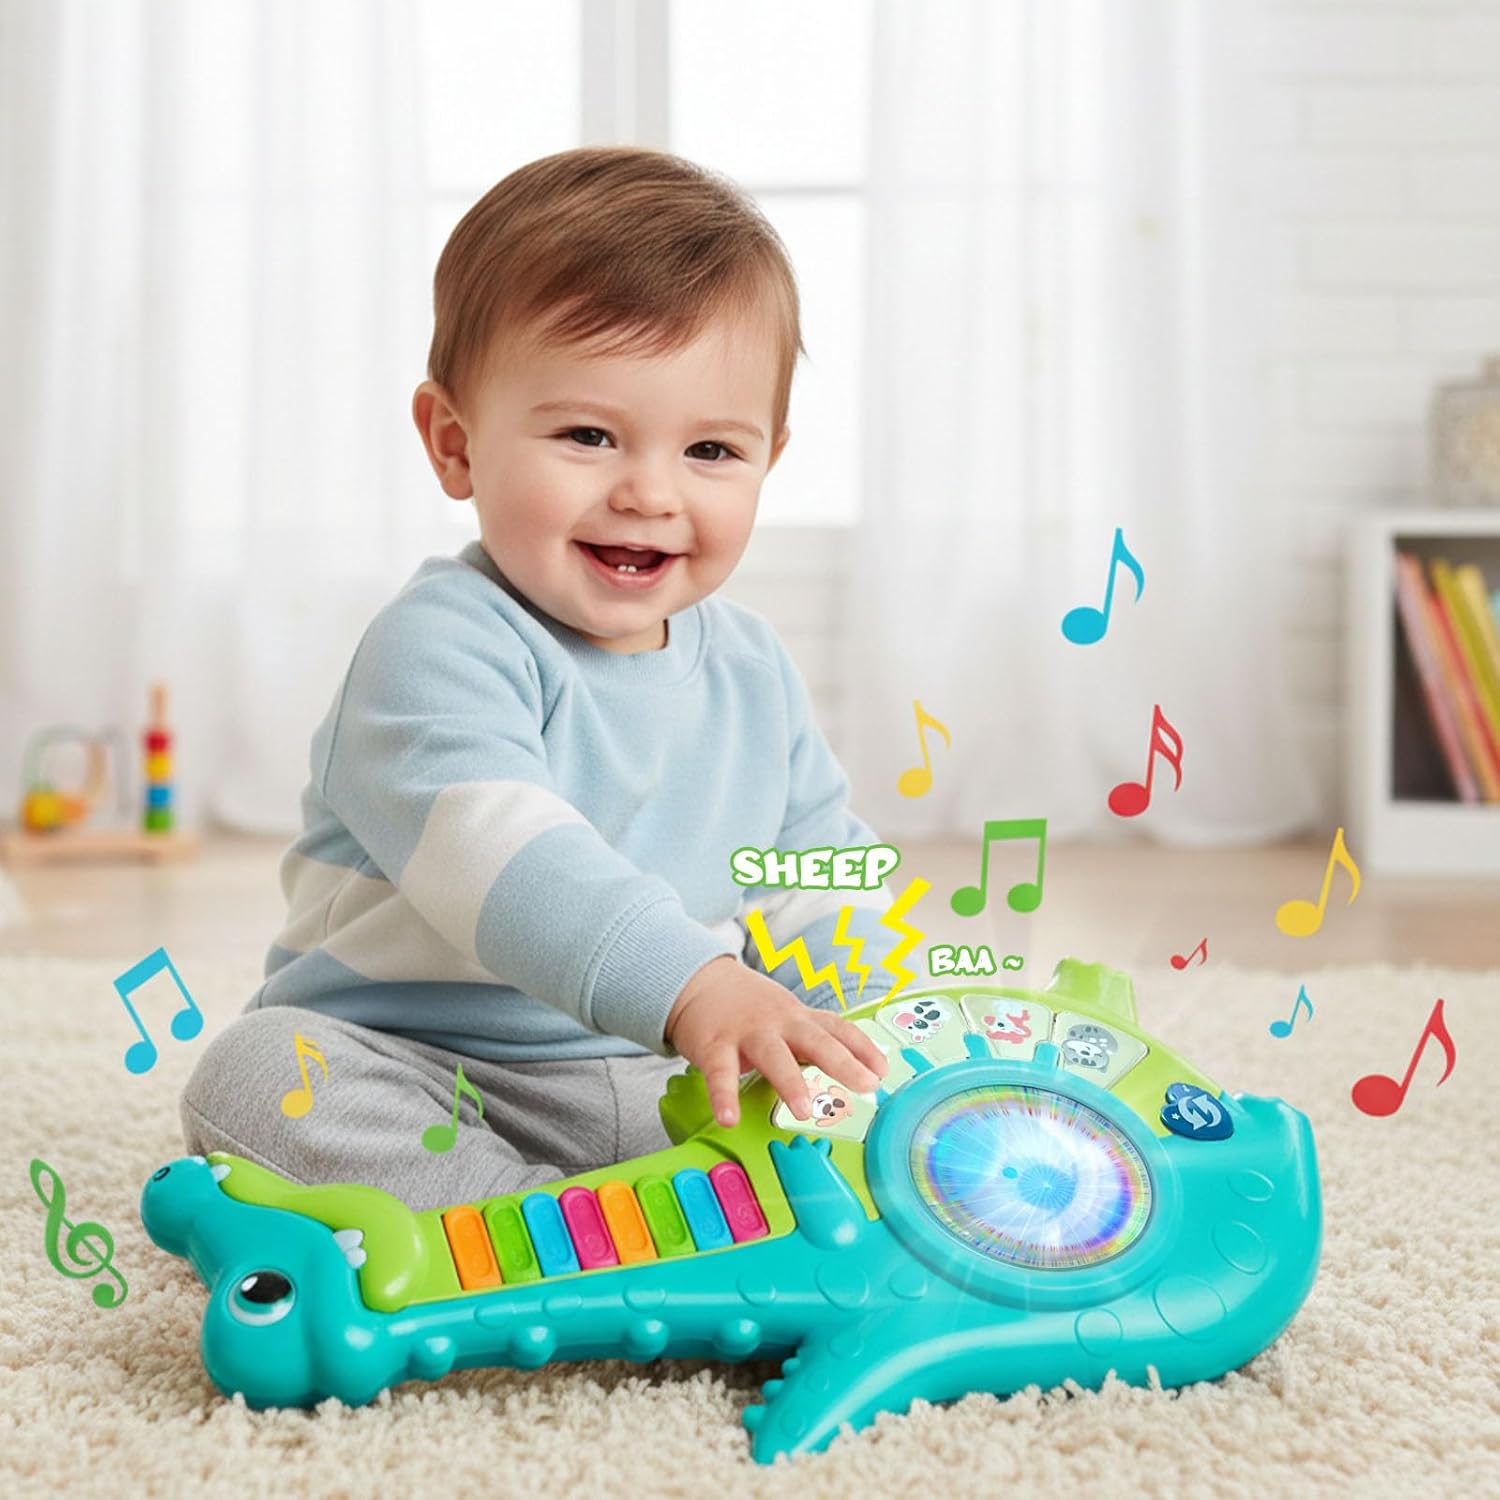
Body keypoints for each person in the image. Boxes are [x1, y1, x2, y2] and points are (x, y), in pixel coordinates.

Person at [180, 146, 899, 1213]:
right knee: (257, 1079)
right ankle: (536, 1225)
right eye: (588, 435)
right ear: (455, 444)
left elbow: (815, 878)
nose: (649, 493)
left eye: (710, 451)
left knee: (847, 1101)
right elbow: (508, 859)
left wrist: (888, 1025)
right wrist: (694, 983)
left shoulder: (753, 670)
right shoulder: (435, 647)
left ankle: (638, 1219)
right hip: (436, 1075)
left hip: (670, 1083)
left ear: (769, 459)